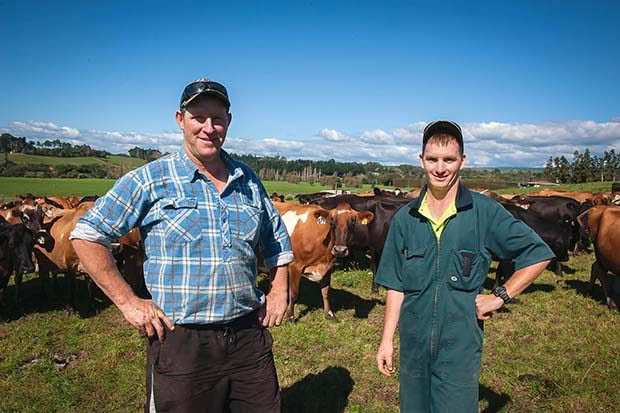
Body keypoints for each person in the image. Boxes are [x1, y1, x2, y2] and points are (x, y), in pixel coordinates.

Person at [70, 78, 294, 413]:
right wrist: (128, 302)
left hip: (248, 335)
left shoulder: (247, 180)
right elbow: (87, 235)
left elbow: (276, 239)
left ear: (228, 122)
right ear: (180, 119)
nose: (209, 128)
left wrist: (279, 290)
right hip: (183, 341)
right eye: (198, 117)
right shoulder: (150, 179)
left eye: (217, 119)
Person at [375, 120, 554, 412]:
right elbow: (396, 285)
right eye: (432, 159)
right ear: (421, 160)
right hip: (413, 348)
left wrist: (499, 297)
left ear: (463, 161)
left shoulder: (484, 213)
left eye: (449, 159)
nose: (440, 168)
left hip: (459, 350)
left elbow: (538, 253)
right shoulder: (405, 219)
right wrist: (386, 341)